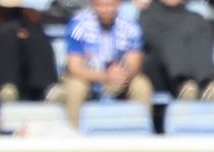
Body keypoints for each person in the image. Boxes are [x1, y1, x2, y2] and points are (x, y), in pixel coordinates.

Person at [60, 0, 152, 128]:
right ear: (93, 5)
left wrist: (123, 74)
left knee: (141, 85)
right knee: (76, 87)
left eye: (109, 5)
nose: (104, 10)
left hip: (120, 78)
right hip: (88, 78)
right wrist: (105, 77)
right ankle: (72, 132)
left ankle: (141, 132)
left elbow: (134, 62)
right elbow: (74, 67)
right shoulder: (78, 24)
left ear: (118, 5)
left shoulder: (131, 25)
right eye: (100, 5)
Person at [0, 0, 56, 104]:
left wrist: (25, 36)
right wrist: (14, 33)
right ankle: (6, 87)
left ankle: (46, 87)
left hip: (26, 73)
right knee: (7, 38)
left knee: (36, 38)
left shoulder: (29, 16)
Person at [140, 0, 214, 102]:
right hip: (161, 76)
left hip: (197, 78)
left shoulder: (196, 20)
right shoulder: (146, 17)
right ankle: (184, 85)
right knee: (171, 41)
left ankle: (205, 85)